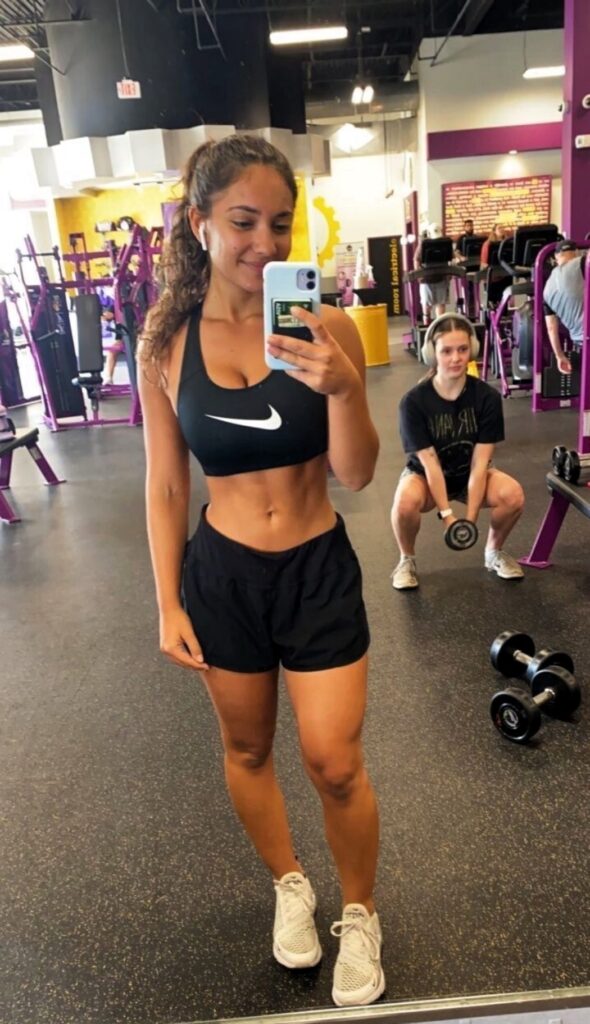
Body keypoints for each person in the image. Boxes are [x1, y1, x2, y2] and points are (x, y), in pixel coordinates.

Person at [137, 134, 384, 1008]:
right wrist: (167, 601)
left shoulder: (326, 325)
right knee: (246, 748)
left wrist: (344, 387)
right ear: (198, 222)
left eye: (280, 224)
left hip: (316, 568)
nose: (265, 244)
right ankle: (290, 883)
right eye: (243, 222)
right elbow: (167, 483)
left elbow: (357, 474)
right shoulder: (164, 342)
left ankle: (359, 912)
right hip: (223, 576)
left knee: (335, 761)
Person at [390, 313, 525, 590]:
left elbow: (480, 463)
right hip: (426, 476)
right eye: (447, 351)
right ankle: (406, 560)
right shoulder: (413, 403)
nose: (456, 358)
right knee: (404, 502)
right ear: (432, 354)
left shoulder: (486, 397)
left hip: (470, 473)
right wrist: (447, 516)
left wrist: (470, 520)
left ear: (472, 349)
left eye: (463, 349)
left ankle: (493, 553)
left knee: (513, 495)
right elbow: (430, 465)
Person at [543, 239, 587, 374]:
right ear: (576, 252)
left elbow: (551, 328)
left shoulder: (546, 290)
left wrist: (559, 355)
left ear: (556, 257)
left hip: (581, 342)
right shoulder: (582, 262)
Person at [414, 223, 448, 324]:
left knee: (440, 303)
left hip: (441, 277)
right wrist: (418, 274)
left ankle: (440, 325)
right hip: (426, 279)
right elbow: (416, 259)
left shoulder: (444, 243)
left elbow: (452, 255)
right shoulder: (423, 244)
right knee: (426, 304)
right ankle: (426, 325)